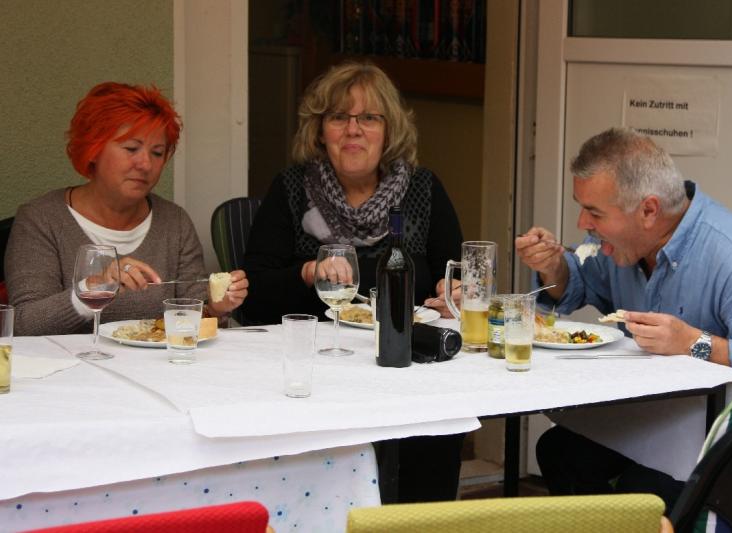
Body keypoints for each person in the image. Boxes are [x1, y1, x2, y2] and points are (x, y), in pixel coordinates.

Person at [515, 127, 732, 511]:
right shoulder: (624, 245)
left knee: (644, 489)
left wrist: (696, 344)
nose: (583, 223)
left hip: (725, 436)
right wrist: (554, 268)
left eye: (595, 212)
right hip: (655, 416)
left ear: (649, 210)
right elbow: (580, 282)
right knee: (559, 451)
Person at [242, 61, 464, 502]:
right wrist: (306, 272)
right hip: (317, 370)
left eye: (369, 118)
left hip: (406, 366)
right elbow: (255, 293)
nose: (353, 130)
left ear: (389, 130)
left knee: (439, 429)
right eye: (339, 117)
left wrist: (451, 293)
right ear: (320, 130)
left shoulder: (422, 189)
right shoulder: (291, 189)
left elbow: (455, 277)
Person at [6, 82, 248, 336]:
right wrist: (94, 288)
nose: (145, 164)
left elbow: (194, 319)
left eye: (157, 153)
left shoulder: (174, 221)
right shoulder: (41, 219)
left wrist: (216, 308)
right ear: (93, 150)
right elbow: (24, 325)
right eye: (131, 148)